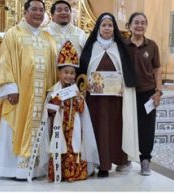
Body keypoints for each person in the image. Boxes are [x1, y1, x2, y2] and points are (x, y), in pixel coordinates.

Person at [0, 0, 57, 179]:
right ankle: (11, 169)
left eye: (41, 10)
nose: (38, 13)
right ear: (25, 12)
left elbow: (54, 66)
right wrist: (10, 88)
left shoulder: (48, 37)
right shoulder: (13, 34)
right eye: (34, 9)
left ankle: (36, 169)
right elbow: (5, 61)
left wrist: (53, 92)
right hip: (20, 95)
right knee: (14, 127)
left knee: (38, 127)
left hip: (41, 96)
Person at [78, 12, 139, 178]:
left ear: (114, 29)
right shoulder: (91, 46)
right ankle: (99, 164)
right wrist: (85, 84)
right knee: (95, 127)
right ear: (98, 27)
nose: (107, 28)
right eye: (104, 25)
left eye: (110, 25)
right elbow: (83, 71)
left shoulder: (119, 47)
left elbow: (126, 72)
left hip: (115, 99)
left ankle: (114, 160)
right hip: (94, 100)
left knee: (114, 128)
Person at [35, 41, 99, 183]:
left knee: (74, 147)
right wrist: (56, 103)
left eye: (72, 73)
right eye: (65, 72)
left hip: (73, 127)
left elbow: (82, 110)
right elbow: (48, 113)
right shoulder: (53, 90)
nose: (69, 76)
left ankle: (74, 173)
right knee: (59, 147)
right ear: (59, 73)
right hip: (59, 127)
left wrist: (78, 100)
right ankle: (58, 173)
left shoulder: (76, 91)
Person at [125, 12, 162, 176]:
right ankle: (124, 158)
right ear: (130, 25)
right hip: (128, 92)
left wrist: (158, 91)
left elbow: (157, 69)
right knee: (127, 125)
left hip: (147, 93)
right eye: (136, 22)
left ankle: (145, 160)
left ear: (146, 26)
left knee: (147, 128)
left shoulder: (152, 46)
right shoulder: (124, 46)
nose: (140, 25)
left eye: (143, 23)